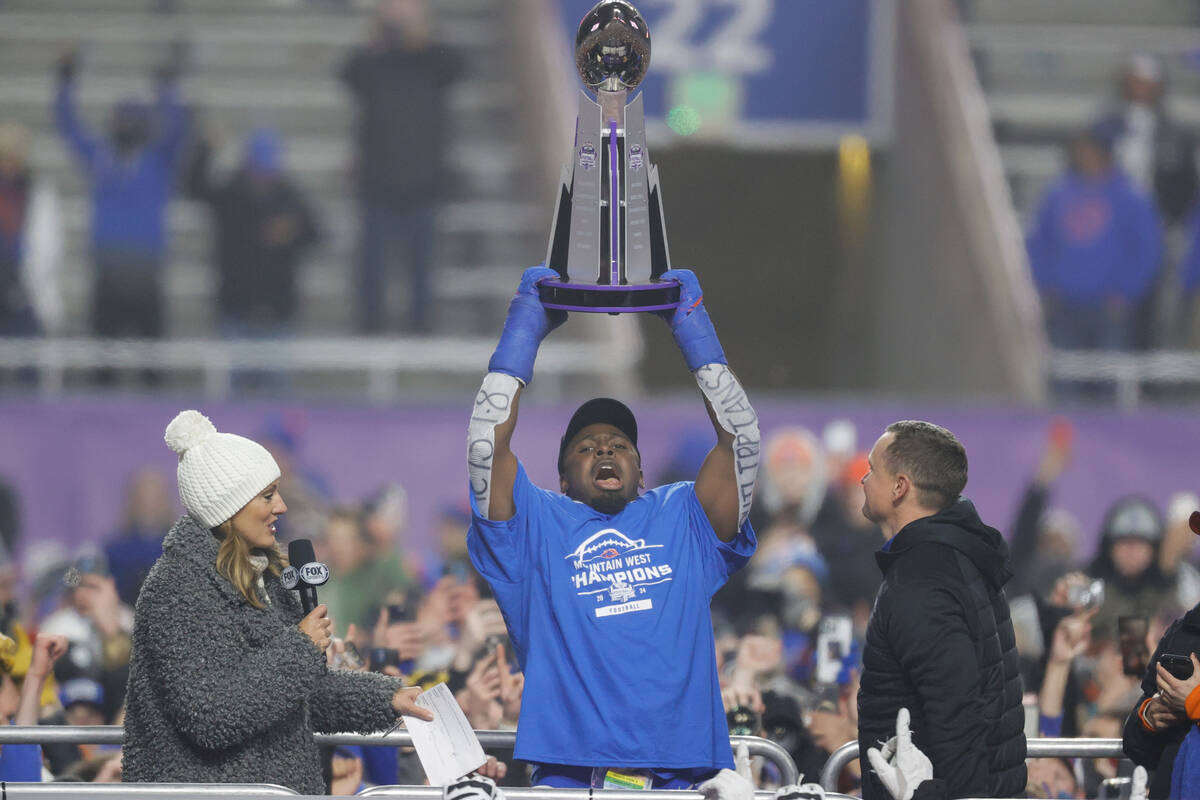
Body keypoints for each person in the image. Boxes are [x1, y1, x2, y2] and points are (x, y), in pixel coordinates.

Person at [465, 266, 760, 787]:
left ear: (641, 472)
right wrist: (523, 331)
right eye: (586, 447)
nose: (604, 448)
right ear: (561, 478)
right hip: (570, 775)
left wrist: (692, 329)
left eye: (621, 445)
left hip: (686, 772)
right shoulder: (534, 527)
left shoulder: (682, 516)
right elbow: (485, 444)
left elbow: (743, 442)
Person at [122, 410, 432, 794]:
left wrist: (388, 697)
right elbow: (211, 715)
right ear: (227, 508)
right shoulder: (177, 587)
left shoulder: (269, 577)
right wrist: (300, 646)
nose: (282, 507)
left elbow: (299, 695)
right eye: (267, 496)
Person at [856, 421, 1026, 799]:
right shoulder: (956, 556)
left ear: (900, 487)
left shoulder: (922, 582)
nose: (863, 480)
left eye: (871, 469)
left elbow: (958, 718)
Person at [339, 0, 461, 334]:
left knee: (421, 266)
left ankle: (421, 331)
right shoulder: (373, 60)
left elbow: (457, 67)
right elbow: (348, 73)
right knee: (372, 266)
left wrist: (421, 33)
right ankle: (369, 331)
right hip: (376, 181)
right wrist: (379, 34)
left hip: (424, 181)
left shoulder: (433, 60)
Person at [53, 48, 189, 346]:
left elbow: (179, 129)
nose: (125, 126)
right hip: (107, 275)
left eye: (131, 121)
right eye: (120, 120)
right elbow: (69, 128)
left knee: (152, 364)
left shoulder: (159, 160)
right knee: (103, 360)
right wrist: (65, 82)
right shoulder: (101, 158)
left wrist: (167, 88)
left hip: (147, 276)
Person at [1026, 121, 1163, 355]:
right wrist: (1045, 285)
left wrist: (1125, 292)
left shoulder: (1131, 197)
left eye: (1089, 149)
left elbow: (1147, 251)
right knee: (1065, 379)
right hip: (1064, 304)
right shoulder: (1058, 194)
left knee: (1109, 378)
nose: (1084, 155)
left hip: (1109, 307)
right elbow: (1039, 242)